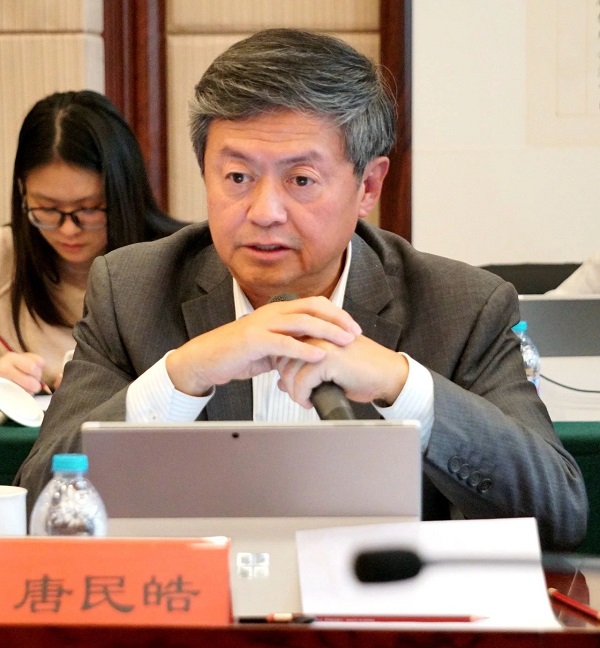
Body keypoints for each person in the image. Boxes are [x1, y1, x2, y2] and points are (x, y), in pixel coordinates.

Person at [15, 30, 587, 550]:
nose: (264, 211)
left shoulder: (460, 306)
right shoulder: (131, 291)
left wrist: (401, 385)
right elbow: (40, 502)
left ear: (368, 186)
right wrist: (179, 378)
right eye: (237, 177)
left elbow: (557, 514)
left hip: (378, 614)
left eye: (302, 180)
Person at [0, 90, 184, 394]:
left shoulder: (181, 261)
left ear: (123, 194)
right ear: (23, 192)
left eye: (89, 209)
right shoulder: (6, 256)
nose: (68, 230)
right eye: (47, 208)